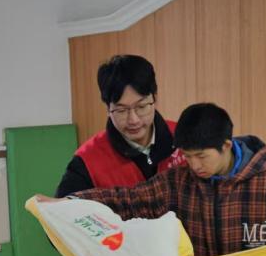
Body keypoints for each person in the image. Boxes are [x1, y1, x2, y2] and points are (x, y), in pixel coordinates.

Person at [45, 102, 266, 256]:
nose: (194, 165)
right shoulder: (178, 183)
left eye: (201, 156)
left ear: (226, 146)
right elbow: (128, 199)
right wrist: (72, 203)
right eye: (188, 156)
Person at [55, 55, 186, 197]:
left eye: (141, 106)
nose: (133, 120)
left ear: (155, 98)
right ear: (108, 108)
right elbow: (64, 207)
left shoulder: (185, 136)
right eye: (121, 110)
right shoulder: (87, 160)